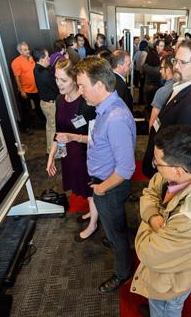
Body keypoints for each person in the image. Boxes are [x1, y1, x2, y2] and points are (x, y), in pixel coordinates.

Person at [131, 124, 191, 317]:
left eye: (157, 163)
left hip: (172, 281)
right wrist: (152, 216)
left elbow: (147, 251)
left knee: (167, 308)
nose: (155, 168)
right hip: (168, 267)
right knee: (157, 305)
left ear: (177, 171)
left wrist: (147, 217)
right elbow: (150, 190)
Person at [76, 57, 136, 293]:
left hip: (109, 186)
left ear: (99, 85)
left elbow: (126, 169)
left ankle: (123, 272)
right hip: (104, 182)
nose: (80, 91)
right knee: (113, 227)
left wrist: (101, 188)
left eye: (83, 86)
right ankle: (113, 238)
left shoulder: (116, 117)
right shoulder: (105, 108)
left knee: (117, 231)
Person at [45, 59, 98, 241]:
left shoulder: (86, 104)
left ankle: (93, 224)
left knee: (91, 190)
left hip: (86, 155)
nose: (58, 84)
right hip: (68, 154)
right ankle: (93, 213)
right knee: (81, 187)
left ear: (75, 80)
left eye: (63, 80)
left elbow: (96, 138)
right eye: (56, 79)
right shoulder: (60, 100)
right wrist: (52, 155)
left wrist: (73, 137)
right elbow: (58, 132)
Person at [142, 40, 191, 178]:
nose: (176, 66)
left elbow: (181, 152)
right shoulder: (180, 87)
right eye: (175, 60)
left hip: (166, 171)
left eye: (182, 63)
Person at [11, 41, 42, 134]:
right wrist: (21, 91)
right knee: (26, 111)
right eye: (25, 50)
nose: (28, 51)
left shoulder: (32, 59)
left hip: (36, 89)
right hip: (25, 91)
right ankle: (27, 127)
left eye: (28, 49)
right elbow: (16, 78)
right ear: (20, 51)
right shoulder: (16, 62)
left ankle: (41, 121)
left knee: (39, 106)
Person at [32, 48, 59, 153]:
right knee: (53, 129)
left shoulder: (36, 69)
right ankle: (53, 152)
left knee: (50, 127)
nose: (49, 59)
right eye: (47, 57)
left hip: (44, 103)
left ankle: (49, 149)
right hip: (50, 104)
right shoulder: (45, 74)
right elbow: (57, 88)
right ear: (41, 59)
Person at [148, 54, 175, 131]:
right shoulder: (182, 87)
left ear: (169, 69)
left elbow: (152, 124)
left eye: (162, 68)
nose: (160, 71)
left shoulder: (162, 92)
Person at [141, 40, 163, 106]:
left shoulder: (146, 67)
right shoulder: (159, 69)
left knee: (147, 104)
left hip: (146, 87)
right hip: (156, 89)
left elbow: (142, 66)